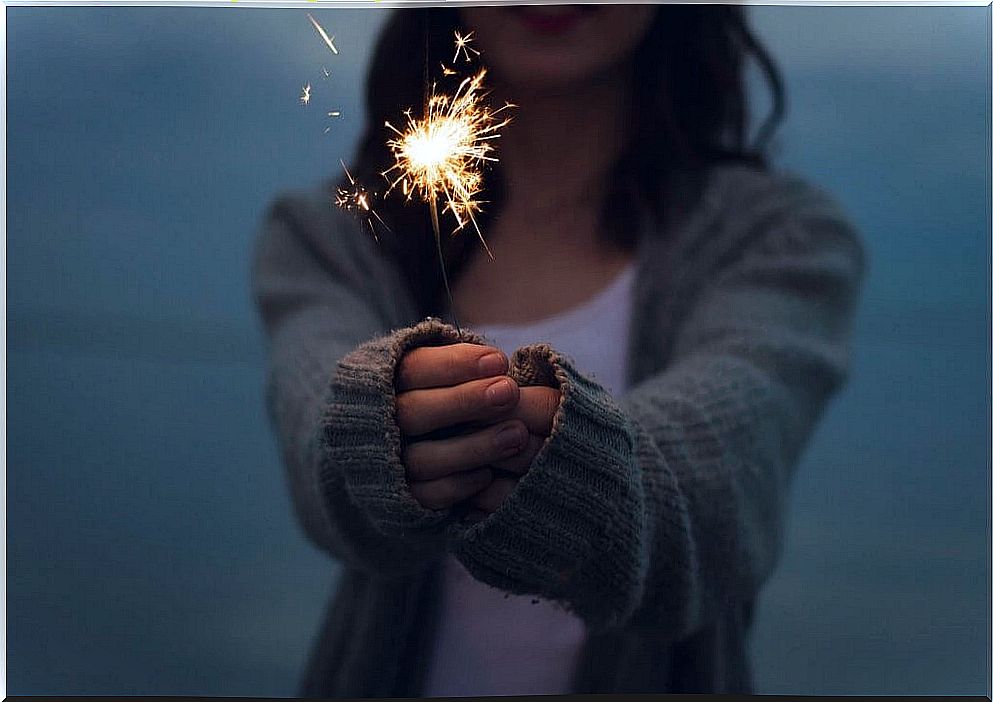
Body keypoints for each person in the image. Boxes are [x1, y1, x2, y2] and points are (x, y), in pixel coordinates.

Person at [252, 4, 865, 697]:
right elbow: (319, 430)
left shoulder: (778, 239)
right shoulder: (331, 235)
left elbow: (723, 474)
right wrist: (377, 426)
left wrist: (571, 463)